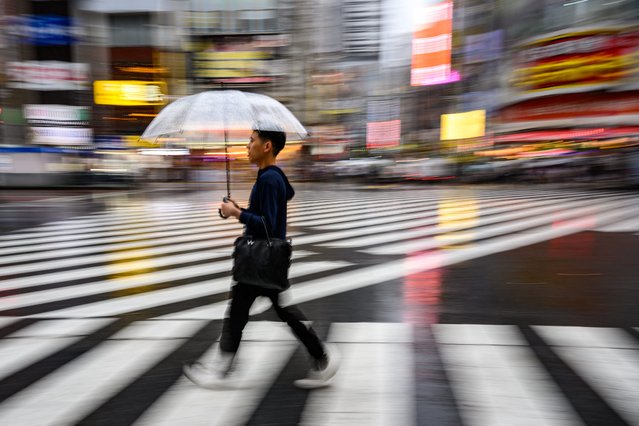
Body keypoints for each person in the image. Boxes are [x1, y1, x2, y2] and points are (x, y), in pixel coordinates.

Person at [183, 129, 339, 389]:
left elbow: (266, 225)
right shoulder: (271, 177)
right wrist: (238, 210)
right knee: (274, 311)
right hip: (266, 258)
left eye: (251, 141)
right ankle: (321, 357)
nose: (247, 146)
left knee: (241, 312)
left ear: (267, 146)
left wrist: (236, 214)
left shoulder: (268, 179)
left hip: (261, 258)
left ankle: (222, 369)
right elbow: (266, 218)